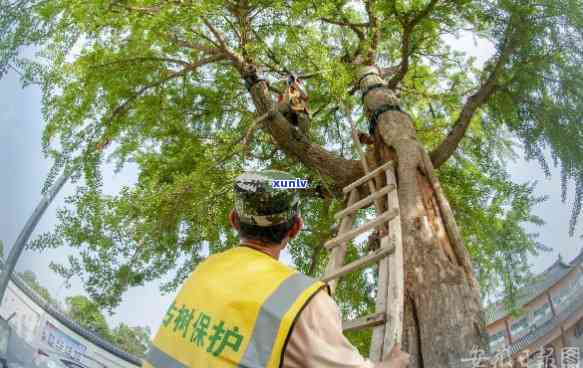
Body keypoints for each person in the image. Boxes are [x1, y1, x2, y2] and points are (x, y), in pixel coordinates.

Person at [144, 170, 410, 368]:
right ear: (295, 228)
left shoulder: (204, 270)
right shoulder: (301, 302)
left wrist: (310, 186)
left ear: (233, 220)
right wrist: (393, 363)